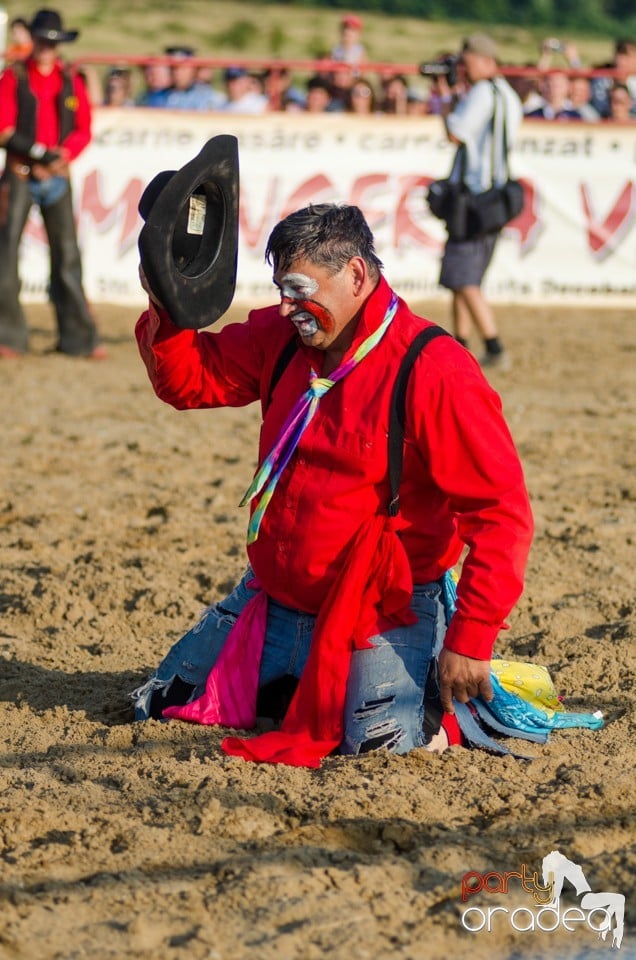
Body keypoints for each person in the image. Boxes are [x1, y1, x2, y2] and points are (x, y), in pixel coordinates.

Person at [131, 200, 534, 767]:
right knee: (162, 704)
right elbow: (190, 381)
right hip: (275, 597)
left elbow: (501, 515)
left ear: (356, 274)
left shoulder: (434, 367)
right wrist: (166, 303)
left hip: (386, 607)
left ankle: (444, 708)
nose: (287, 306)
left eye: (299, 289)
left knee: (380, 750)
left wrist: (471, 638)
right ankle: (302, 683)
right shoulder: (279, 336)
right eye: (280, 290)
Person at [0, 9, 104, 358]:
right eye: (43, 40)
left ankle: (77, 338)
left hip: (51, 172)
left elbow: (83, 128)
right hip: (22, 173)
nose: (47, 47)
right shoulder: (13, 77)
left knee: (67, 256)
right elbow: (4, 129)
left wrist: (60, 156)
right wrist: (49, 158)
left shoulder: (70, 78)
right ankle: (8, 337)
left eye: (51, 42)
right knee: (6, 253)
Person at [438, 33, 523, 369]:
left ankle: (494, 345)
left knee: (464, 277)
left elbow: (455, 133)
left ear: (487, 61)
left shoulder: (482, 93)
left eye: (467, 61)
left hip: (474, 197)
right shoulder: (508, 94)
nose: (463, 67)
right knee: (464, 273)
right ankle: (460, 344)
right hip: (497, 194)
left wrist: (446, 101)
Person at [163, 47, 226, 111]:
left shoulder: (207, 97)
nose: (177, 73)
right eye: (173, 68)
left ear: (192, 70)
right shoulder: (159, 96)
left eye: (182, 68)